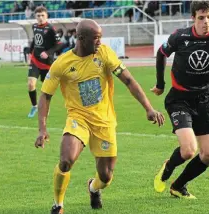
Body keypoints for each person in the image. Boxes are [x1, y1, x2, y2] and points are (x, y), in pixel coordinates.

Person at [34, 19, 165, 214]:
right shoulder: (61, 63)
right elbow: (45, 95)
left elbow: (128, 80)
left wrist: (148, 108)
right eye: (96, 38)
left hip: (104, 121)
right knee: (66, 160)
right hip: (78, 118)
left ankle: (93, 188)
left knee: (106, 176)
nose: (99, 42)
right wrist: (42, 128)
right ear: (80, 38)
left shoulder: (104, 54)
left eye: (100, 37)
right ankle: (58, 205)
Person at [152, 0, 209, 199]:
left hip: (203, 99)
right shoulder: (180, 36)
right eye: (201, 18)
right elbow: (161, 54)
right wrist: (160, 85)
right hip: (179, 99)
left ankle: (178, 186)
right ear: (193, 18)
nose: (206, 22)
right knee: (188, 150)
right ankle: (168, 168)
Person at [27, 6, 63, 118]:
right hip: (35, 60)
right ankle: (34, 106)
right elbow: (35, 39)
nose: (40, 18)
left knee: (45, 89)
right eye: (38, 16)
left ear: (46, 16)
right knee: (30, 84)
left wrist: (48, 52)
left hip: (47, 63)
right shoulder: (34, 26)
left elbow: (59, 45)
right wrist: (30, 51)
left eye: (43, 15)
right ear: (35, 17)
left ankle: (46, 107)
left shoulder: (51, 29)